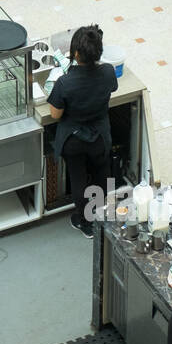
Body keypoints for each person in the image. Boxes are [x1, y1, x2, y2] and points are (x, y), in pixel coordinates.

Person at [47, 24, 117, 236]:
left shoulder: (64, 83)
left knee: (78, 178)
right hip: (100, 137)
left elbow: (55, 115)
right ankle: (104, 216)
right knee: (103, 174)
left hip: (74, 140)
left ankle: (85, 223)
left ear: (75, 53)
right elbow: (111, 89)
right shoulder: (107, 72)